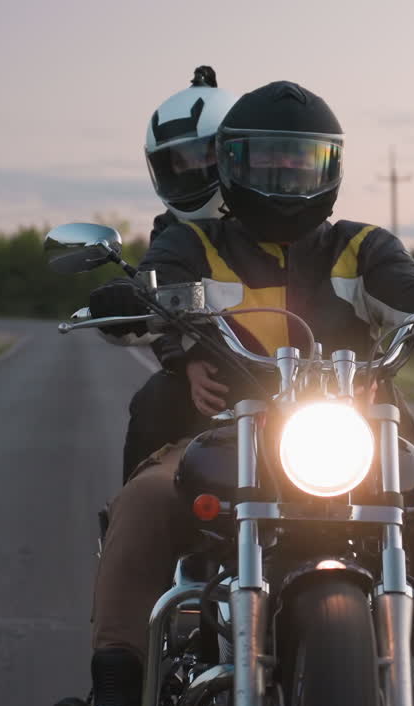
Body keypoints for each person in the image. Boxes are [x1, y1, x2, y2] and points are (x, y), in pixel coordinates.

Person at [53, 80, 414, 706]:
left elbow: (410, 296)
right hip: (219, 438)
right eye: (269, 160)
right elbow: (163, 286)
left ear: (331, 166)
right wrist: (135, 303)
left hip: (350, 442)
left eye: (302, 160)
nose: (287, 175)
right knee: (147, 496)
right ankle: (115, 695)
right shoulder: (194, 244)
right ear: (231, 163)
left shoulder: (363, 246)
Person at [118, 66, 239, 483]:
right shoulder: (170, 234)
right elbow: (158, 304)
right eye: (178, 160)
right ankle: (131, 519)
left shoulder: (279, 217)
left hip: (308, 378)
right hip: (218, 378)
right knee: (153, 401)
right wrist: (186, 361)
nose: (191, 169)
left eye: (205, 155)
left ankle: (408, 518)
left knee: (390, 408)